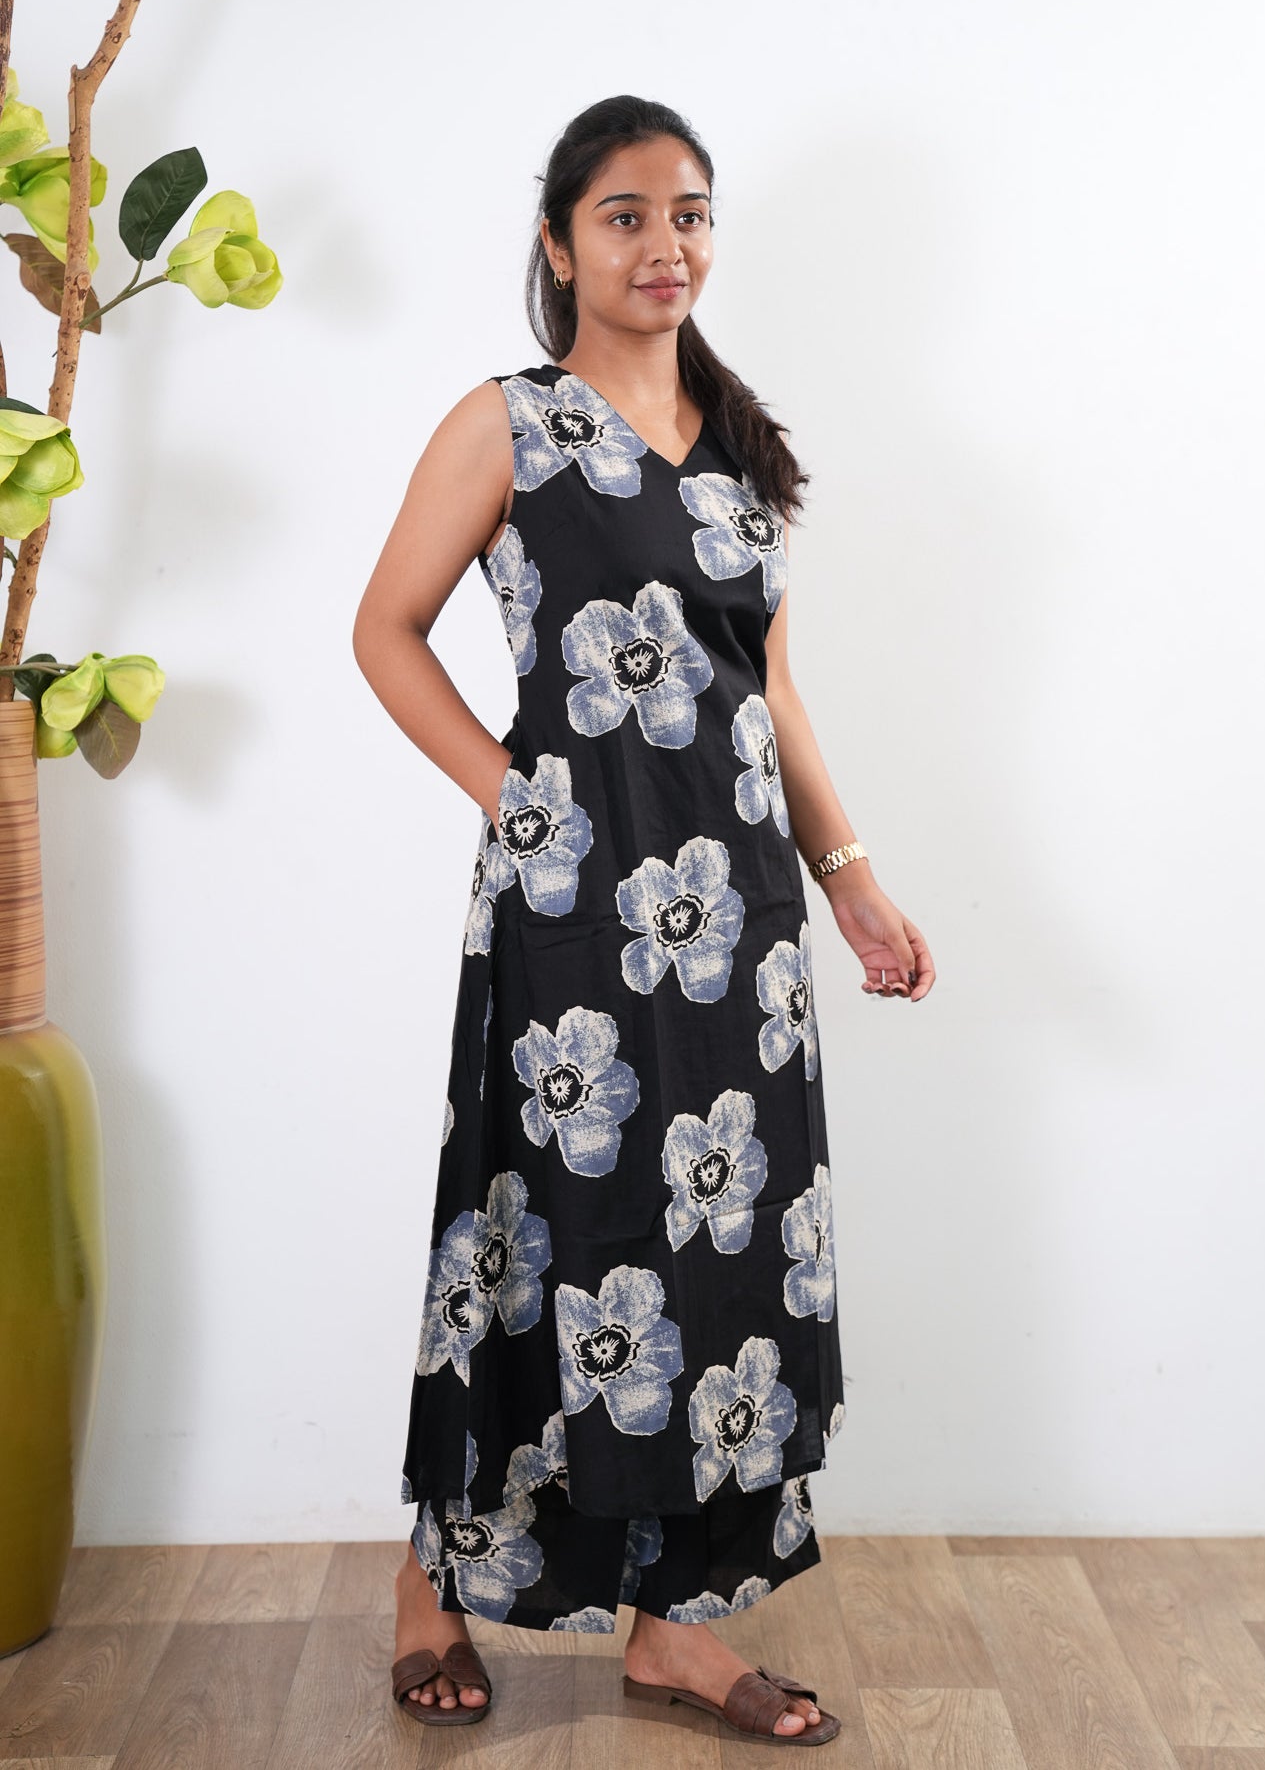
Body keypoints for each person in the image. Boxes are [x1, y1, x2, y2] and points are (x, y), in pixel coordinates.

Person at [352, 95, 935, 1746]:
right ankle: (432, 1589)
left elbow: (769, 694)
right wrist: (516, 800)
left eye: (689, 213)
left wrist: (850, 878)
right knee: (544, 1243)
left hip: (739, 927)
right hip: (569, 925)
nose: (664, 244)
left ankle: (676, 1631)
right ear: (557, 243)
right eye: (624, 215)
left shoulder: (740, 452)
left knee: (724, 1262)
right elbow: (386, 629)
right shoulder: (508, 425)